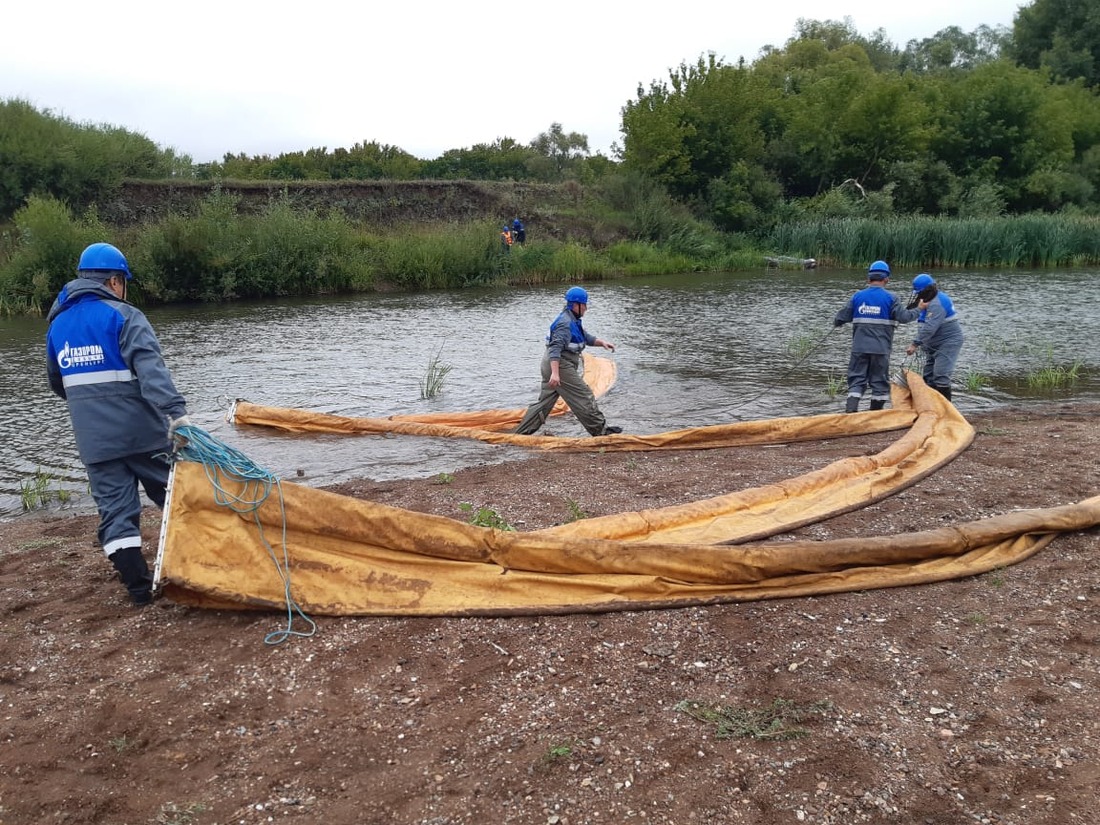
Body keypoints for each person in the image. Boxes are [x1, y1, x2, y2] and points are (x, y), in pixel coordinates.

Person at [45, 242, 191, 606]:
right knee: (175, 496)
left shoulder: (58, 325)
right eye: (122, 281)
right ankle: (199, 564)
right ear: (114, 281)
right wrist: (177, 414)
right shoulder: (125, 316)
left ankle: (140, 590)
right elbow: (151, 371)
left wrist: (90, 410)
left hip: (95, 442)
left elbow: (56, 382)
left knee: (115, 514)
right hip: (143, 434)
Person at [514, 286, 622, 436]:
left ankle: (520, 434)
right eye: (584, 305)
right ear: (576, 305)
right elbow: (555, 349)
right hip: (559, 365)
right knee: (583, 395)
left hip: (552, 366)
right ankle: (601, 432)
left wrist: (601, 342)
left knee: (544, 404)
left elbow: (584, 337)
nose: (586, 308)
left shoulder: (573, 319)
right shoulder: (564, 324)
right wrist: (556, 374)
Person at [833, 260, 921, 413]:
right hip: (881, 349)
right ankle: (874, 415)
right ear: (886, 279)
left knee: (856, 380)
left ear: (868, 279)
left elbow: (841, 317)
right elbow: (905, 317)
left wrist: (838, 322)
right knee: (879, 383)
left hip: (859, 348)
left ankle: (850, 413)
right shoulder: (892, 298)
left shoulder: (857, 296)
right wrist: (919, 309)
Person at [905, 273, 964, 401]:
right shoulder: (927, 301)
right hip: (933, 344)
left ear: (927, 291)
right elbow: (910, 312)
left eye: (920, 293)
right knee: (928, 374)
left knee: (941, 374)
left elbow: (930, 328)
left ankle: (946, 411)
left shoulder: (938, 303)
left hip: (948, 342)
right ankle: (931, 405)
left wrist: (915, 344)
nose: (918, 296)